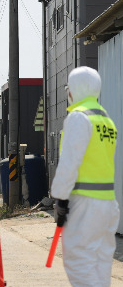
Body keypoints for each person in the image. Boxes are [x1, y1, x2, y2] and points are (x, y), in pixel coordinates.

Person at [51, 66, 119, 287]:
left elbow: (70, 163)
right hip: (107, 204)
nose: (68, 93)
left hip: (83, 204)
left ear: (75, 89)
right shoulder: (107, 121)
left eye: (69, 88)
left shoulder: (79, 118)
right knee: (100, 265)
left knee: (79, 263)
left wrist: (60, 198)